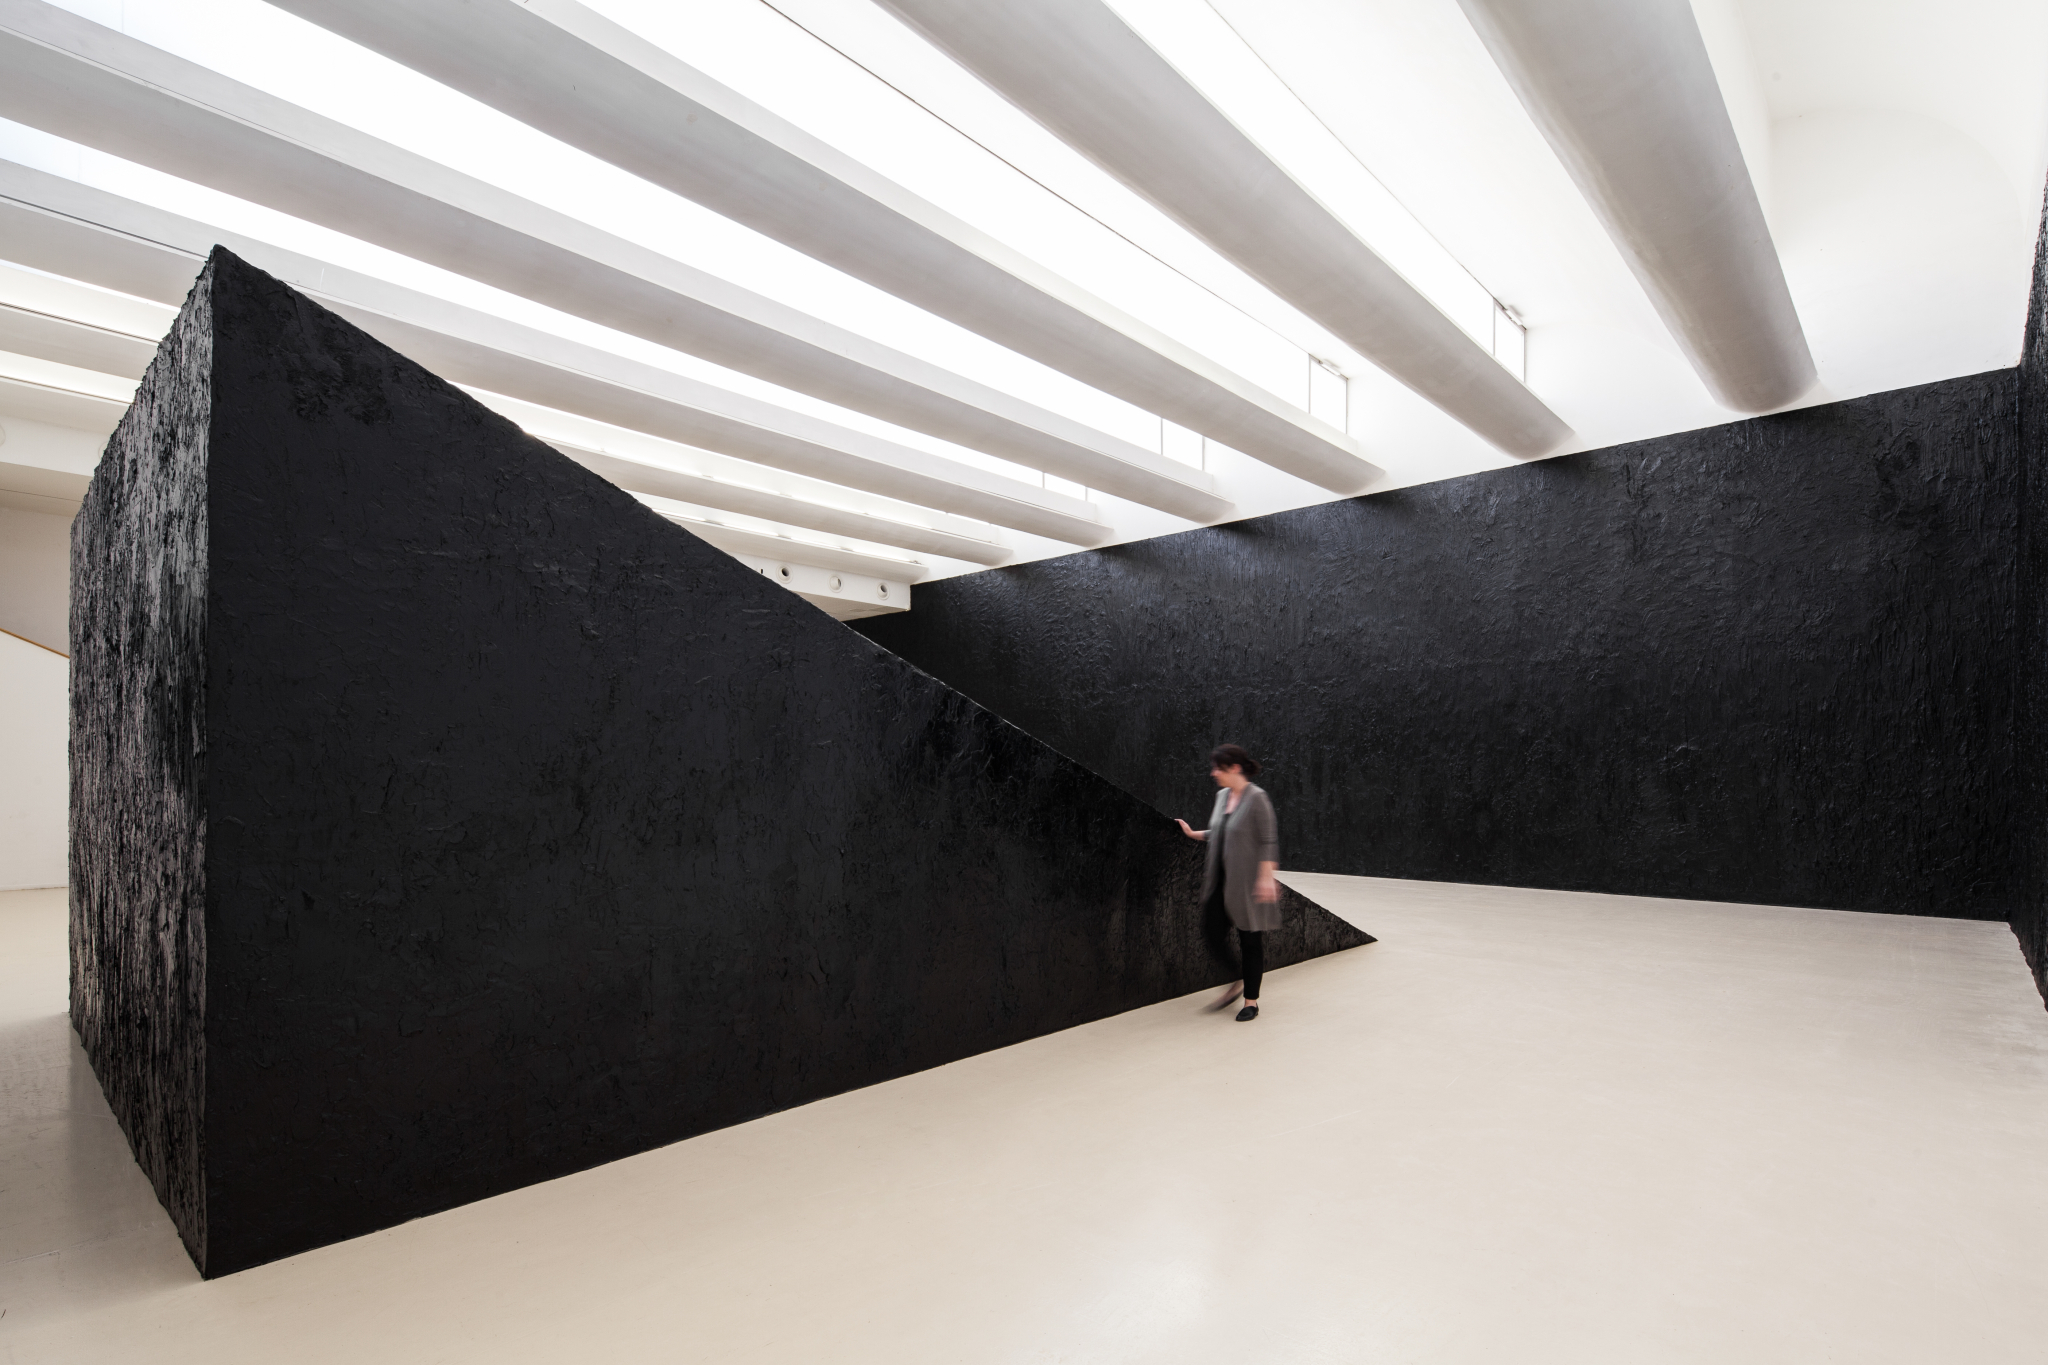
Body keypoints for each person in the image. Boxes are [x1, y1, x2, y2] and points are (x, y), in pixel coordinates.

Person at [1175, 744, 1281, 1022]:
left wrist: (1266, 877)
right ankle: (1237, 979)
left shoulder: (1257, 798)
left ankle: (1251, 1002)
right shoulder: (1222, 796)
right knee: (1211, 932)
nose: (1213, 773)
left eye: (1217, 769)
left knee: (1250, 942)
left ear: (1234, 768)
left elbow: (1268, 841)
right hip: (1220, 882)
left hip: (1247, 884)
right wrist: (1193, 834)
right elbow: (1222, 831)